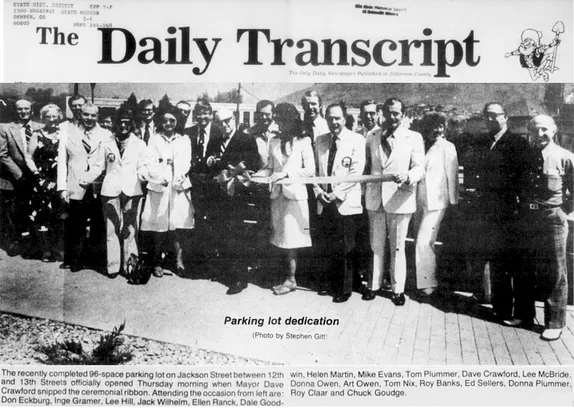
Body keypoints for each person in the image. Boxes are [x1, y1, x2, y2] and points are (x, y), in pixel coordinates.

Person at [511, 115, 572, 341]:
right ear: (529, 132)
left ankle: (554, 322)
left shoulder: (565, 157)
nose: (540, 134)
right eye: (535, 130)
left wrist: (563, 211)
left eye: (545, 130)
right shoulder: (524, 157)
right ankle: (524, 315)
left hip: (552, 218)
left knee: (555, 270)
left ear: (554, 131)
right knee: (524, 266)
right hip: (527, 216)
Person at [363, 97, 425, 306]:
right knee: (375, 246)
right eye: (389, 112)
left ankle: (398, 290)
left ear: (403, 114)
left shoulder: (413, 137)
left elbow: (419, 168)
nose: (392, 117)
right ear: (383, 113)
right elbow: (368, 166)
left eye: (396, 113)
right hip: (375, 199)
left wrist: (407, 176)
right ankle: (373, 286)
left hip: (400, 199)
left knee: (398, 247)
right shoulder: (372, 136)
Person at [474, 102, 531, 322]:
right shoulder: (484, 143)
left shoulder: (518, 144)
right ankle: (501, 309)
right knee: (498, 263)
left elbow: (523, 181)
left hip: (512, 215)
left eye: (494, 116)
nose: (489, 120)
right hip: (490, 214)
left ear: (505, 117)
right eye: (486, 116)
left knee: (516, 266)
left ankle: (523, 314)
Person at [254, 103, 315, 295]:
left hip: (295, 198)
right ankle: (286, 276)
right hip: (277, 197)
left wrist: (285, 174)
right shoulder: (274, 141)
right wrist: (255, 176)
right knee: (279, 239)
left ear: (292, 120)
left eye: (283, 119)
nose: (279, 123)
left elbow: (310, 171)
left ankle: (291, 280)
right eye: (278, 119)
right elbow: (270, 168)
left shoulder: (304, 141)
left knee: (292, 241)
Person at [313, 103, 366, 303]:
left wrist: (336, 194)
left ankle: (345, 289)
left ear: (345, 119)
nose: (333, 122)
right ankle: (330, 283)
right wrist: (319, 192)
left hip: (345, 201)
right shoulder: (320, 140)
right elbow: (316, 173)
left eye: (337, 118)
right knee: (328, 245)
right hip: (324, 201)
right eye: (330, 118)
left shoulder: (356, 140)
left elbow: (356, 173)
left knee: (346, 247)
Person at [140, 107, 193, 277]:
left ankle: (178, 261)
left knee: (178, 226)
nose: (169, 124)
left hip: (178, 186)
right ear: (160, 122)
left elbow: (187, 161)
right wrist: (161, 176)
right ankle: (157, 262)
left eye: (172, 120)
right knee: (158, 227)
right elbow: (149, 161)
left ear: (177, 121)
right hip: (160, 186)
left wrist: (179, 174)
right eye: (165, 121)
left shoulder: (184, 139)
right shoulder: (155, 140)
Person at [57, 103, 111, 272]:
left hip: (97, 185)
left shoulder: (106, 134)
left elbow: (105, 162)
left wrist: (90, 178)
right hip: (75, 184)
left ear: (98, 117)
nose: (89, 118)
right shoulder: (68, 133)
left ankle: (95, 259)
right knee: (75, 223)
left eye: (93, 115)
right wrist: (62, 187)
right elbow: (62, 162)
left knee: (98, 223)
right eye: (86, 115)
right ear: (80, 114)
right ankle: (76, 259)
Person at [211, 108, 259, 295]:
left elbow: (254, 161)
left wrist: (236, 169)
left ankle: (240, 278)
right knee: (223, 232)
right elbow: (215, 161)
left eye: (227, 120)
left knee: (238, 234)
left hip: (239, 194)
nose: (224, 124)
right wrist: (213, 162)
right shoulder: (216, 140)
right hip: (221, 194)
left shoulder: (246, 138)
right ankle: (228, 272)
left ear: (235, 119)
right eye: (220, 122)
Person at [413, 112, 459, 296]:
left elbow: (452, 175)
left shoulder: (448, 147)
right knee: (420, 240)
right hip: (418, 200)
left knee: (425, 241)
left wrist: (454, 202)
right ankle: (422, 280)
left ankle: (428, 284)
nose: (436, 130)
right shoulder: (422, 145)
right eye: (433, 126)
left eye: (440, 126)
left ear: (444, 128)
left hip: (437, 201)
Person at [100, 109, 148, 278]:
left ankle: (130, 266)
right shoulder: (106, 142)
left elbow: (143, 165)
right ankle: (113, 266)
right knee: (111, 229)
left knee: (130, 229)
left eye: (127, 122)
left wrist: (144, 174)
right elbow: (100, 166)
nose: (123, 125)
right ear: (115, 123)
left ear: (131, 123)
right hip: (111, 190)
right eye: (120, 121)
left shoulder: (140, 144)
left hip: (132, 190)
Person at [0, 99, 44, 257]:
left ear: (32, 110)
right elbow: (2, 155)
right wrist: (19, 175)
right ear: (16, 111)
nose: (23, 112)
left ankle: (37, 243)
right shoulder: (5, 128)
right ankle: (15, 241)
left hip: (37, 176)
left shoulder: (41, 127)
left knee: (38, 210)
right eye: (20, 109)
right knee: (14, 211)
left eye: (26, 109)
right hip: (14, 178)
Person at [27, 104, 66, 262]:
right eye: (47, 117)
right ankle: (46, 250)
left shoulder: (64, 134)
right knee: (43, 216)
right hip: (42, 181)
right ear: (43, 118)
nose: (51, 119)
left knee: (60, 215)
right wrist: (37, 174)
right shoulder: (37, 134)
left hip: (61, 180)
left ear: (59, 116)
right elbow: (28, 156)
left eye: (54, 116)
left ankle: (58, 249)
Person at [187, 100, 224, 265]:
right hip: (193, 182)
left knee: (213, 220)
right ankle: (197, 259)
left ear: (211, 114)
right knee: (196, 219)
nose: (202, 117)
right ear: (195, 115)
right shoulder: (188, 132)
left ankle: (212, 259)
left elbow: (225, 155)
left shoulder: (219, 132)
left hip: (212, 184)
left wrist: (216, 160)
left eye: (206, 113)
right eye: (199, 113)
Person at [246, 100, 278, 169]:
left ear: (273, 114)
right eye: (261, 114)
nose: (264, 117)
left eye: (267, 114)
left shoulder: (280, 132)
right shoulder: (249, 133)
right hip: (258, 175)